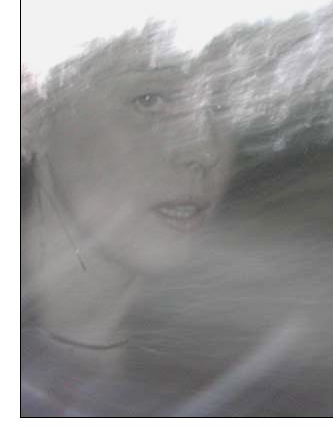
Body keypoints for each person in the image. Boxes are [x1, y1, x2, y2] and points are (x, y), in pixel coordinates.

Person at [21, 25, 235, 415]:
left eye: (219, 109)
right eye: (149, 101)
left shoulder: (244, 370)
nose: (204, 153)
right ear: (34, 120)